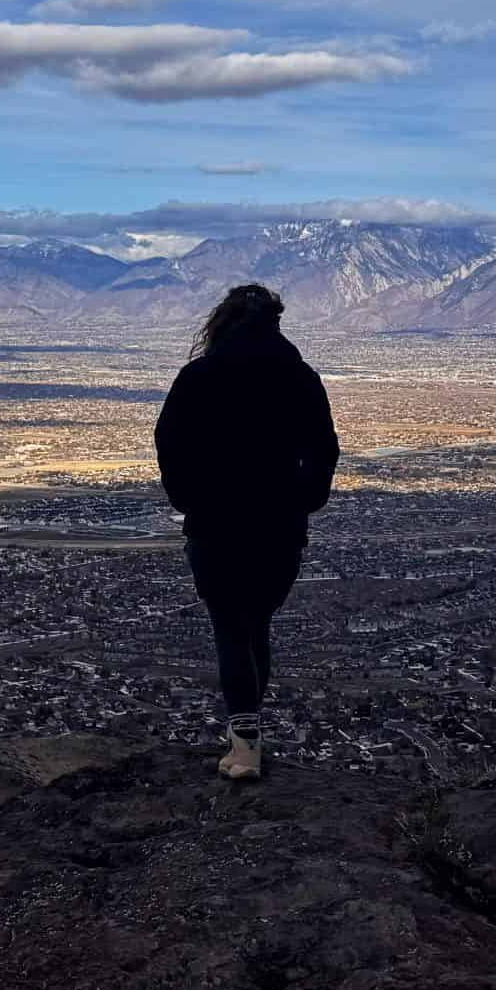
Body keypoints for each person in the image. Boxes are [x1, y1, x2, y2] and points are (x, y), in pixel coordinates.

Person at [153, 283, 341, 781]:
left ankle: (244, 745)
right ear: (276, 323)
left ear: (223, 321)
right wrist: (305, 499)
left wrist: (188, 498)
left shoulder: (199, 376)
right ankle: (246, 733)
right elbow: (324, 448)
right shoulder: (300, 378)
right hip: (281, 527)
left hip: (215, 523)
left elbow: (169, 442)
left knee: (230, 627)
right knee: (255, 626)